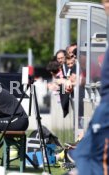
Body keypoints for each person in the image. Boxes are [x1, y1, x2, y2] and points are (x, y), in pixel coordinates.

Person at [72, 0, 109, 174]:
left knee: (90, 155)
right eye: (104, 2)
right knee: (81, 153)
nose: (105, 6)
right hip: (103, 107)